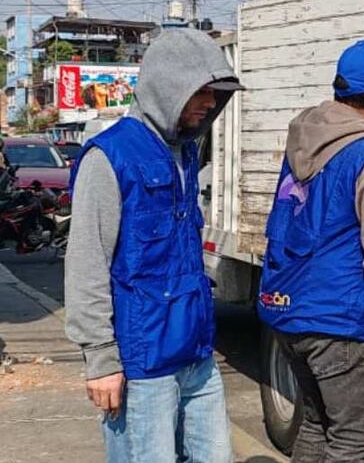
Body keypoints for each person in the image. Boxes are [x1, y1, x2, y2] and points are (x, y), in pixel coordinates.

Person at [65, 29, 244, 463]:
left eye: (215, 95)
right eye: (200, 92)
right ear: (168, 87)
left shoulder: (184, 155)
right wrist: (102, 360)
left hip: (196, 355)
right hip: (143, 363)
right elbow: (87, 262)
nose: (208, 104)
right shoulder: (110, 157)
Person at [258, 39, 364, 462]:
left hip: (290, 311)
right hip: (341, 322)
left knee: (316, 426)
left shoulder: (307, 140)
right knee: (354, 441)